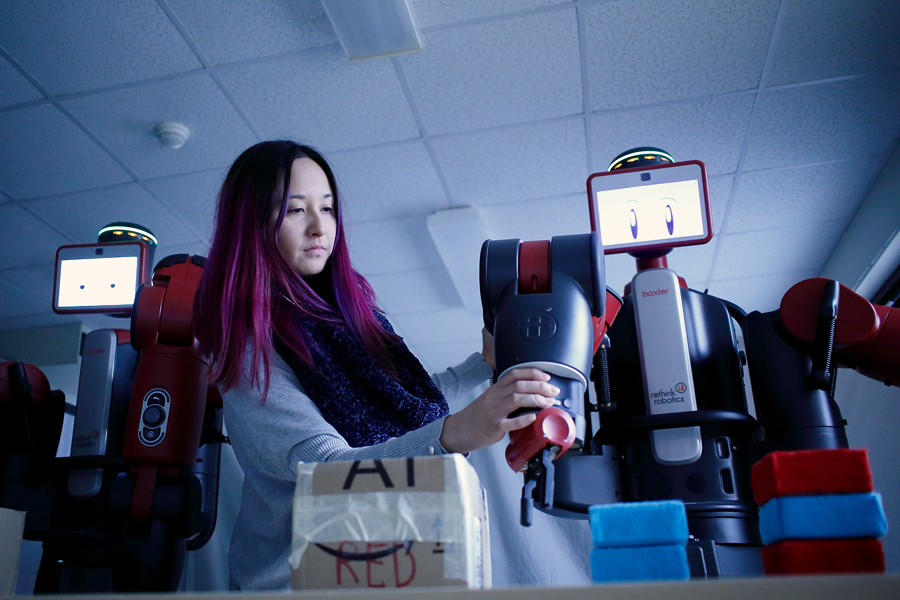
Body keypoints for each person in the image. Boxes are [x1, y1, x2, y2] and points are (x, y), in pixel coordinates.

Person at [193, 140, 560, 590]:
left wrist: (484, 366)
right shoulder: (250, 345)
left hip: (382, 567)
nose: (318, 228)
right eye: (294, 210)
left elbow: (410, 405)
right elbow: (327, 468)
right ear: (250, 224)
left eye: (327, 209)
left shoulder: (348, 316)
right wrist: (454, 433)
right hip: (297, 586)